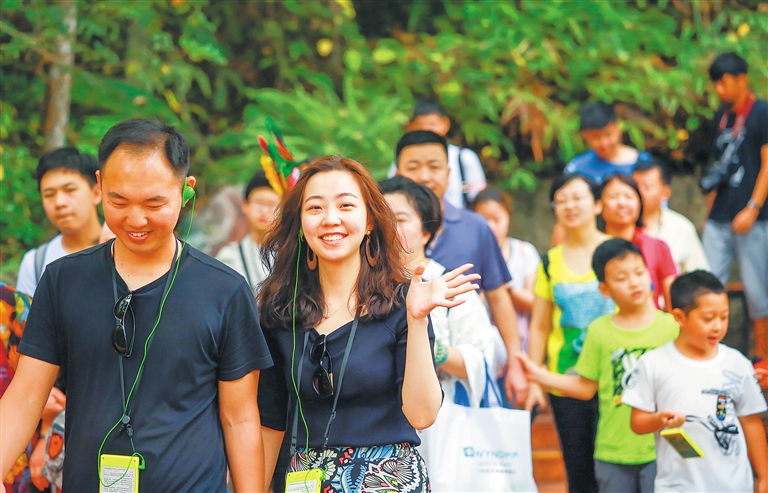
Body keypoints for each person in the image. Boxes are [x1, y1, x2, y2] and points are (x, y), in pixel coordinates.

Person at [0, 119, 273, 491]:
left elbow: (239, 419)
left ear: (186, 190)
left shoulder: (224, 290)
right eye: (119, 201)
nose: (136, 219)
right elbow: (27, 395)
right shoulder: (63, 280)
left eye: (154, 203)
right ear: (99, 185)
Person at [257, 156, 478, 491]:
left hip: (387, 480)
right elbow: (270, 421)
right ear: (300, 222)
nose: (331, 219)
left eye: (346, 205)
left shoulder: (402, 303)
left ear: (370, 220)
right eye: (315, 208)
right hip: (305, 478)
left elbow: (422, 415)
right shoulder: (279, 311)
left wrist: (417, 320)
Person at [519, 239, 679, 493]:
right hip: (612, 451)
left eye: (639, 272)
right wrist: (538, 375)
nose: (634, 283)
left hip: (662, 449)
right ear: (604, 288)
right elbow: (585, 387)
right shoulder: (599, 331)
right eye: (621, 278)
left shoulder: (672, 328)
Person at [394, 130, 528, 406]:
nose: (424, 176)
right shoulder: (382, 227)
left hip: (460, 359)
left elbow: (498, 296)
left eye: (433, 166)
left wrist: (515, 361)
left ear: (448, 173)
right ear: (397, 172)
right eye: (413, 167)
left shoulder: (476, 226)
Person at [623, 271, 768, 493]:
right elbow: (637, 422)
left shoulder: (737, 363)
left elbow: (751, 422)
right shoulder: (653, 363)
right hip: (677, 486)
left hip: (734, 486)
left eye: (724, 317)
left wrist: (765, 477)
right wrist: (659, 419)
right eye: (708, 319)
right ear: (679, 317)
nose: (718, 326)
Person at [526, 173, 615, 493]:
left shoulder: (617, 252)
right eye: (561, 201)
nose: (569, 206)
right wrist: (534, 379)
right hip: (565, 381)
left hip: (615, 379)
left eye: (577, 198)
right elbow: (539, 325)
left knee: (619, 471)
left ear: (597, 205)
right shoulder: (549, 262)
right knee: (579, 473)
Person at [381, 175, 496, 406]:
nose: (389, 227)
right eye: (381, 219)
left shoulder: (451, 285)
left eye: (400, 219)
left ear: (426, 232)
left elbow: (481, 361)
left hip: (441, 415)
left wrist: (431, 349)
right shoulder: (358, 285)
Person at [701, 52, 768, 359]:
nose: (719, 89)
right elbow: (716, 168)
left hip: (753, 216)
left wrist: (753, 207)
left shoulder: (762, 112)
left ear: (742, 79)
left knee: (757, 290)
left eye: (725, 82)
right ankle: (705, 352)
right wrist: (708, 213)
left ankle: (762, 357)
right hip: (720, 215)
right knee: (706, 282)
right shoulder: (721, 117)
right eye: (716, 83)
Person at [15, 147, 103, 297]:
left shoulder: (125, 249)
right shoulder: (35, 264)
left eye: (70, 190)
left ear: (96, 193)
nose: (59, 202)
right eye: (49, 194)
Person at [473, 187, 541, 351]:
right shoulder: (469, 255)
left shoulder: (525, 252)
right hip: (481, 345)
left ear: (508, 216)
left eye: (497, 219)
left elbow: (535, 303)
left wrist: (503, 287)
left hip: (523, 344)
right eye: (483, 220)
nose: (491, 226)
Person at [387, 100, 487, 209]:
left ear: (445, 124)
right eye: (413, 168)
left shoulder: (464, 157)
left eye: (432, 124)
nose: (425, 178)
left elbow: (479, 197)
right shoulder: (402, 159)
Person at [600, 173, 677, 310]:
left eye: (629, 197)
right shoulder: (592, 247)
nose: (622, 203)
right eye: (613, 197)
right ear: (598, 204)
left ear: (640, 203)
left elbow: (673, 301)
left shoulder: (657, 247)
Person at [632, 159, 710, 274]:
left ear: (665, 193)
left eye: (647, 187)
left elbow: (699, 276)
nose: (639, 192)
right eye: (634, 186)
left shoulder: (682, 228)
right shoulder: (616, 224)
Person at [215, 171, 280, 294]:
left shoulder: (292, 256)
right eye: (259, 203)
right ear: (245, 205)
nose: (264, 211)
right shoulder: (229, 257)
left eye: (271, 204)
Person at [564, 102, 652, 183]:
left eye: (608, 134)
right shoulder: (576, 168)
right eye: (595, 137)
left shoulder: (644, 161)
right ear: (584, 136)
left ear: (618, 128)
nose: (603, 143)